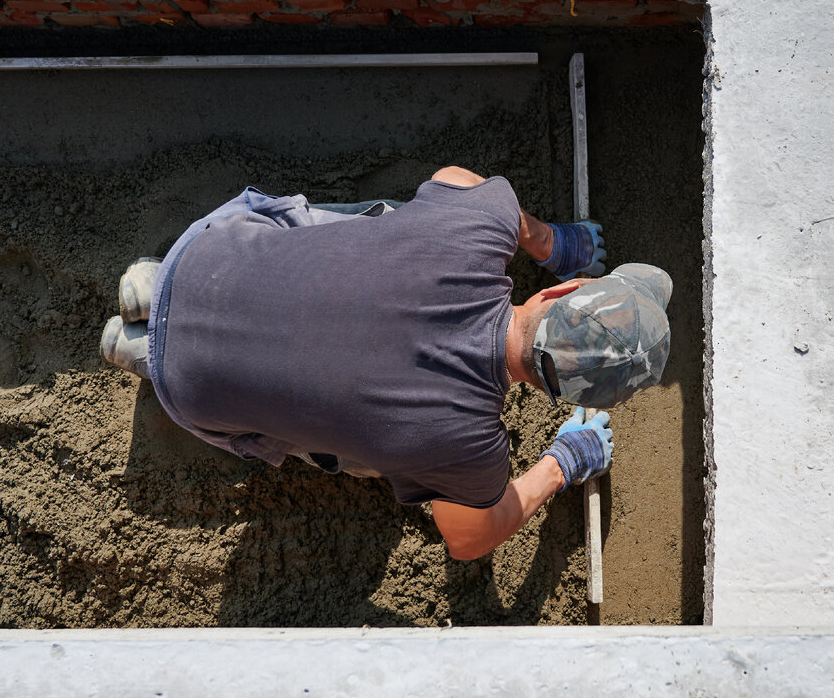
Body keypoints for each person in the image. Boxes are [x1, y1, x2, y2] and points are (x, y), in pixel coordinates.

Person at [100, 166, 671, 560]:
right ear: (563, 397)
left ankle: (154, 290)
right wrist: (563, 462)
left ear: (559, 290)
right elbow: (469, 539)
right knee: (390, 457)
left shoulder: (481, 223)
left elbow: (455, 180)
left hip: (206, 253)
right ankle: (143, 353)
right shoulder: (469, 453)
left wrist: (547, 240)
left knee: (395, 218)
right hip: (188, 392)